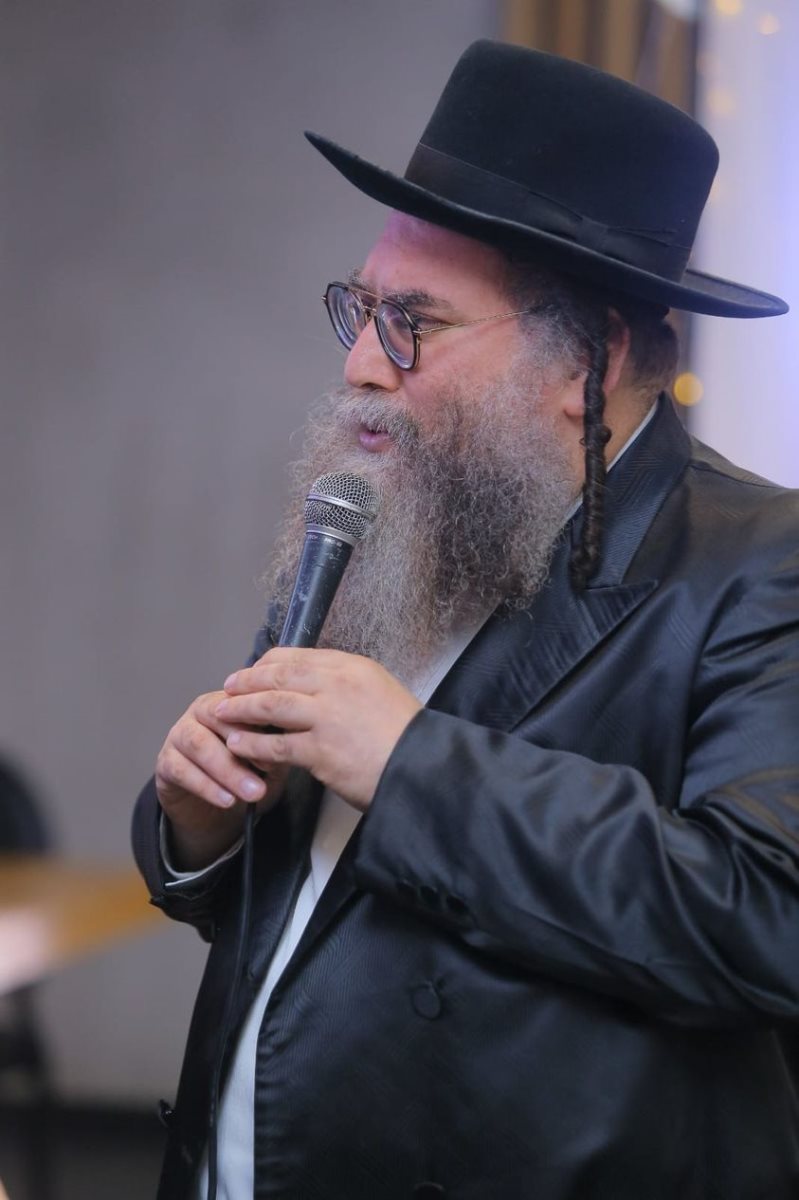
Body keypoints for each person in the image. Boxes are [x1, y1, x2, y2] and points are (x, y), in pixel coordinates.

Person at [133, 40, 799, 1200]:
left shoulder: (760, 562)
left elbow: (763, 918)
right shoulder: (387, 514)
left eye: (415, 322)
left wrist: (409, 765)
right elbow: (310, 910)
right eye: (361, 309)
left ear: (586, 363)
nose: (361, 364)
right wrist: (202, 828)